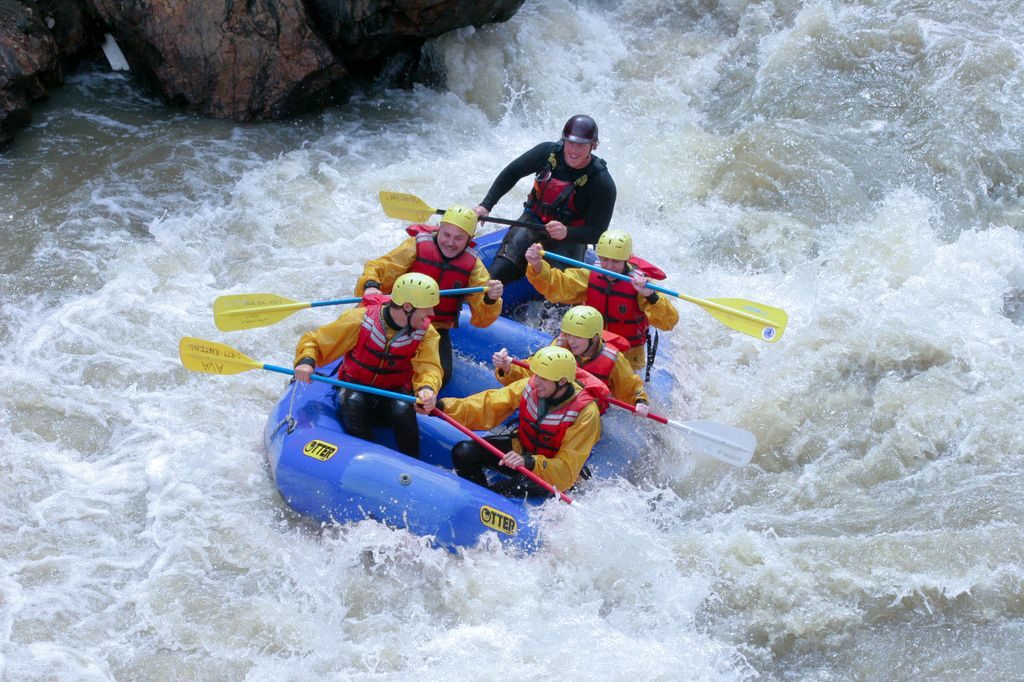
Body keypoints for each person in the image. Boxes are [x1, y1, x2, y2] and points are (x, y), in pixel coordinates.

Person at [293, 273, 443, 459]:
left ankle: (413, 461)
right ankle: (365, 459)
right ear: (407, 307)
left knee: (404, 407)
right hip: (352, 389)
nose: (432, 314)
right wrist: (306, 361)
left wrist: (427, 389)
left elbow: (430, 367)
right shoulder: (360, 319)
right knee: (354, 399)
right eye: (426, 309)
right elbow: (314, 341)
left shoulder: (426, 332)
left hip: (391, 394)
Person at [356, 205, 504, 386]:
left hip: (434, 327)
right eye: (446, 234)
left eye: (458, 238)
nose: (450, 242)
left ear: (469, 239)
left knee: (443, 374)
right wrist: (371, 286)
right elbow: (379, 267)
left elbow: (482, 318)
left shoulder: (474, 267)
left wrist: (491, 299)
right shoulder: (416, 246)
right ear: (439, 230)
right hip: (399, 317)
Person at [438, 346, 604, 497]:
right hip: (522, 450)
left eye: (543, 378)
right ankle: (475, 498)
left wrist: (529, 462)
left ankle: (487, 503)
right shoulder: (531, 386)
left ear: (562, 382)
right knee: (463, 451)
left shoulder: (586, 414)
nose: (536, 382)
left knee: (500, 491)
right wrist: (442, 407)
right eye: (536, 375)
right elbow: (487, 405)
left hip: (549, 475)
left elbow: (566, 471)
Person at [474, 114, 617, 284]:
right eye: (570, 143)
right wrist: (486, 205)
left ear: (593, 146)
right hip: (533, 223)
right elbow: (512, 173)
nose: (573, 150)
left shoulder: (602, 183)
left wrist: (566, 232)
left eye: (581, 145)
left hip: (570, 238)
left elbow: (598, 232)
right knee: (496, 274)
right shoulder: (546, 153)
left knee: (558, 291)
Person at [523, 229, 679, 375]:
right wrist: (537, 265)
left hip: (625, 357)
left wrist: (650, 296)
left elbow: (668, 322)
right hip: (587, 345)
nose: (609, 267)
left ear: (627, 258)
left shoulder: (641, 285)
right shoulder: (590, 276)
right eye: (605, 260)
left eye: (615, 262)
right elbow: (557, 285)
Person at [491, 305, 650, 416]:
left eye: (578, 337)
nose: (571, 341)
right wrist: (507, 368)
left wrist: (639, 401)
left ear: (594, 338)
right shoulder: (561, 345)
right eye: (568, 334)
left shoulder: (613, 359)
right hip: (555, 403)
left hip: (586, 415)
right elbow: (532, 369)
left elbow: (630, 385)